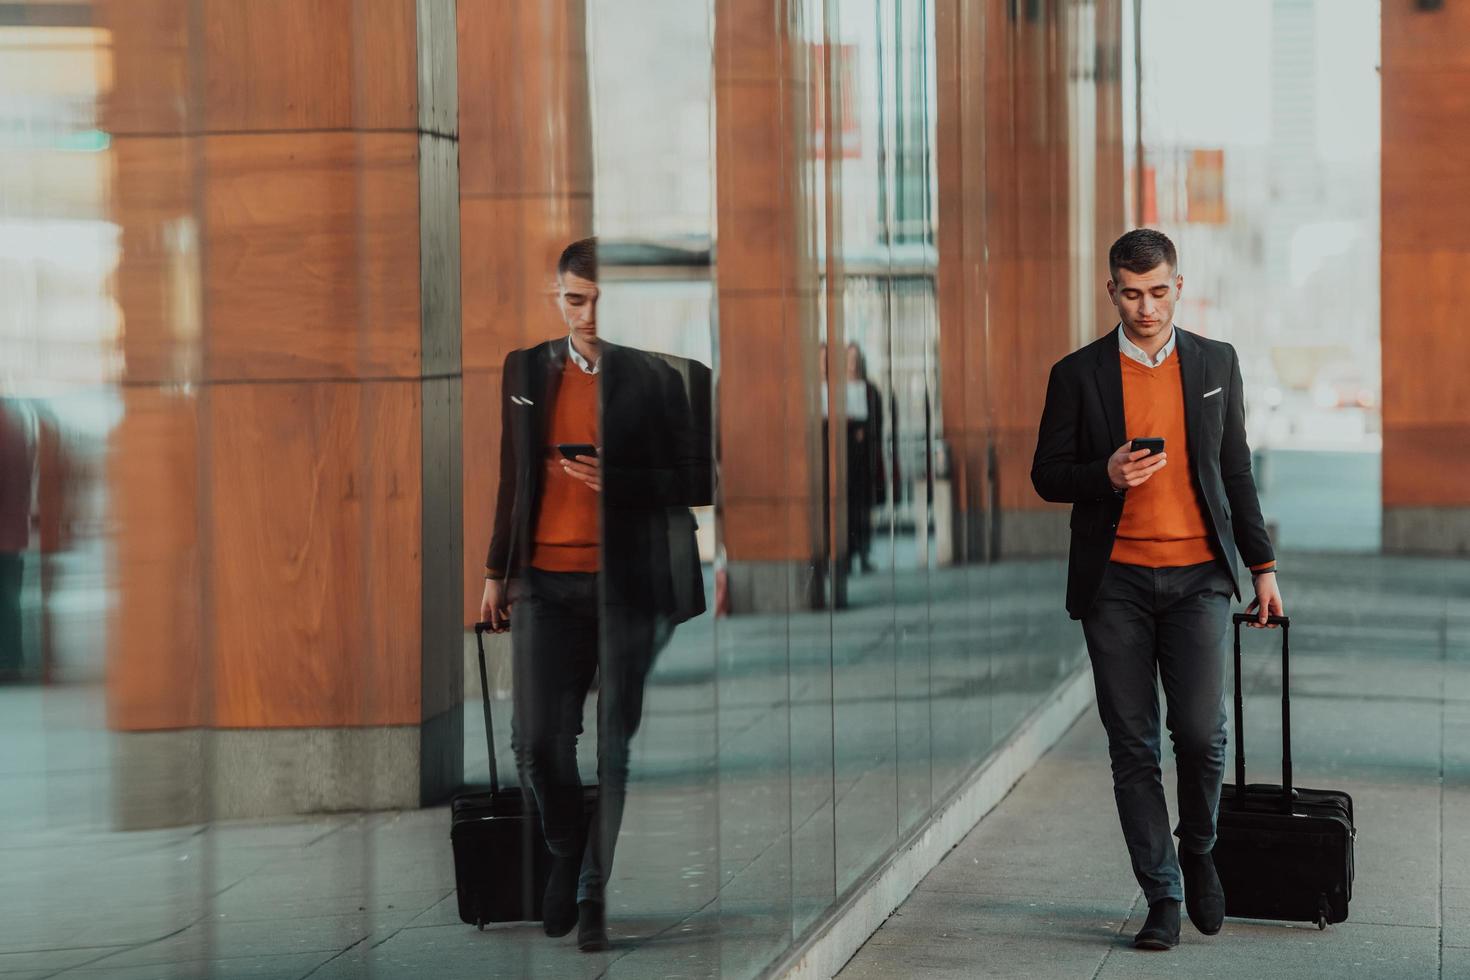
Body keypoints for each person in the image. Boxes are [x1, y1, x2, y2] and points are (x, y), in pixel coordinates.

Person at [1031, 228, 1284, 951]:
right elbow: (1046, 474)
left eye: (1159, 291)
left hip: (1200, 576)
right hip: (1114, 583)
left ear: (1179, 286)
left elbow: (1235, 471)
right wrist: (1101, 475)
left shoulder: (1214, 362)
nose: (1146, 306)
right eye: (1132, 293)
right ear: (1112, 291)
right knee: (1133, 746)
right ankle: (1163, 892)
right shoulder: (1077, 374)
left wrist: (1262, 569)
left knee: (1203, 736)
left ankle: (1198, 845)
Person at [479, 238, 713, 952]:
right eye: (573, 299)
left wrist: (627, 483)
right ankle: (564, 847)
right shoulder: (524, 369)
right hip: (546, 583)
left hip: (628, 585)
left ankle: (589, 888)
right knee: (537, 744)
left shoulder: (656, 379)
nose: (585, 314)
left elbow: (698, 483)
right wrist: (496, 572)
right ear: (558, 297)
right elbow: (512, 477)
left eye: (598, 301)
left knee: (612, 746)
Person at [0, 398, 32, 680]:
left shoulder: (5, 426)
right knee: (9, 601)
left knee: (6, 601)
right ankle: (11, 660)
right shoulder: (14, 422)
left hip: (4, 534)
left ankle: (8, 663)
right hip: (11, 534)